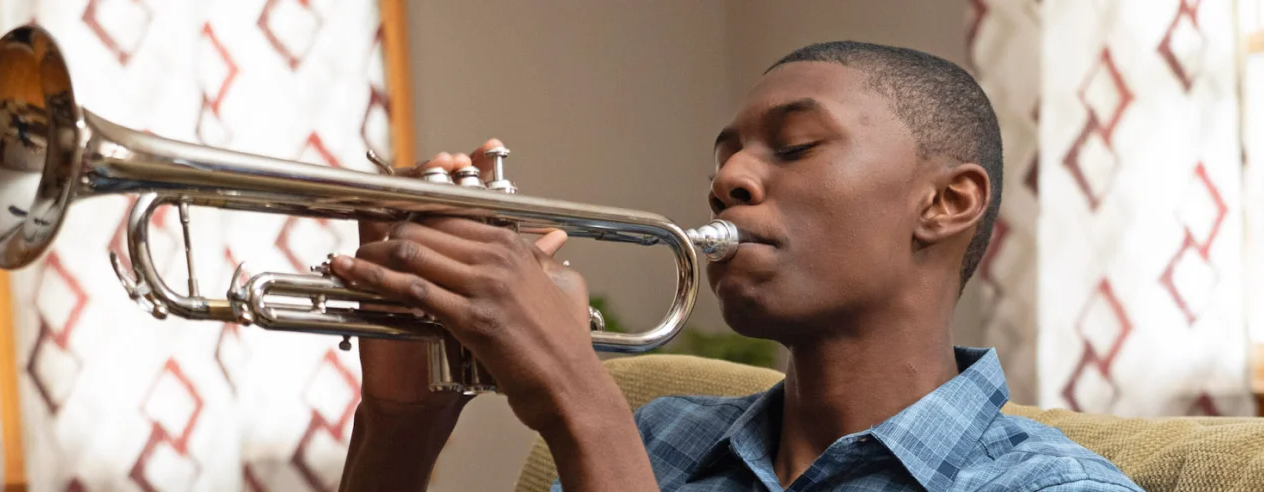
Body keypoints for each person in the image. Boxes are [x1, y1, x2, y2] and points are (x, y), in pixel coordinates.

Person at [331, 41, 1143, 491]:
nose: (728, 182)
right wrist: (403, 424)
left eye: (795, 145)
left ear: (946, 203)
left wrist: (583, 406)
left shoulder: (1056, 488)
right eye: (724, 160)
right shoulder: (660, 439)